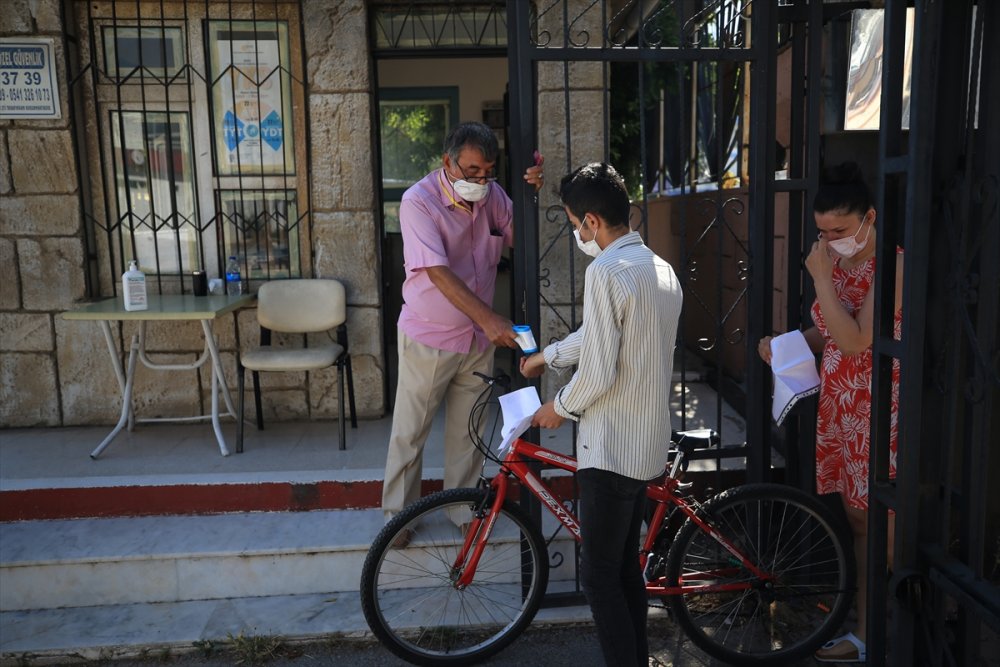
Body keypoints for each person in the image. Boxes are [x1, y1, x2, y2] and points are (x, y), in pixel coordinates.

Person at [520, 162, 683, 666]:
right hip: (644, 444)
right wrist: (547, 356)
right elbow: (600, 336)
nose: (577, 234)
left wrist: (558, 407)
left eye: (575, 224)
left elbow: (597, 371)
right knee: (623, 570)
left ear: (591, 221)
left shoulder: (606, 271)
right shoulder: (660, 268)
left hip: (610, 448)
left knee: (598, 576)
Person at [757, 162, 902, 664]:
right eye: (822, 232)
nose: (829, 241)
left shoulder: (892, 265)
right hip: (843, 405)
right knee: (859, 524)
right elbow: (829, 333)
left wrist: (820, 276)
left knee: (881, 527)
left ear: (869, 218)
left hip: (878, 408)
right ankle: (867, 632)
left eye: (839, 230)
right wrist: (786, 345)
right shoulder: (837, 263)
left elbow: (857, 339)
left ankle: (883, 631)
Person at [382, 122, 544, 542]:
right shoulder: (418, 201)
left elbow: (523, 239)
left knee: (469, 432)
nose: (480, 180)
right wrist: (490, 320)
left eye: (488, 172)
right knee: (411, 432)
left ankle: (463, 510)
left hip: (476, 341)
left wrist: (532, 195)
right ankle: (398, 518)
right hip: (429, 337)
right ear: (447, 162)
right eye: (472, 171)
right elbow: (437, 272)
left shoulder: (494, 196)